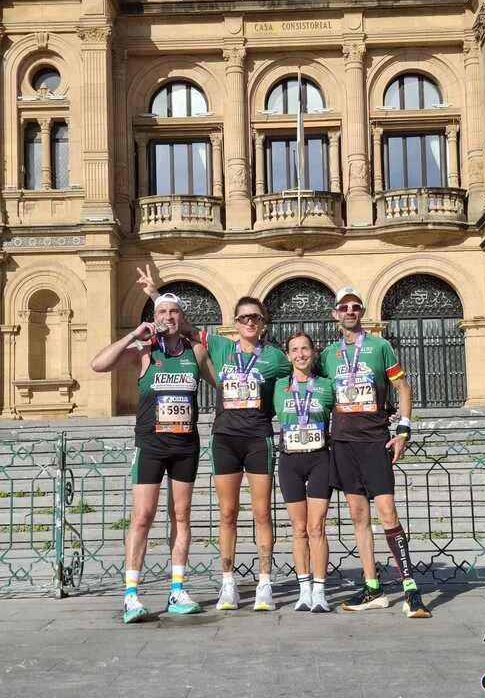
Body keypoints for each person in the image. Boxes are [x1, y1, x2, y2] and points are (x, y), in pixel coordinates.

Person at [136, 267, 290, 611]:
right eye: (244, 317)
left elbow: (302, 372)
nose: (249, 322)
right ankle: (228, 583)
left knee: (262, 513)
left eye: (255, 317)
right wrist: (156, 295)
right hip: (225, 439)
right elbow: (181, 325)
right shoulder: (220, 347)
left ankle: (265, 582)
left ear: (263, 323)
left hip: (258, 438)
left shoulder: (275, 358)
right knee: (227, 513)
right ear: (235, 323)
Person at [91, 293, 214, 624]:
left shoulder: (195, 352)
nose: (168, 316)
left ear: (180, 317)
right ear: (154, 317)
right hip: (151, 445)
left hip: (185, 446)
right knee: (142, 516)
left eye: (174, 311)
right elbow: (98, 364)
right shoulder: (145, 351)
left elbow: (222, 384)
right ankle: (131, 595)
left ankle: (177, 591)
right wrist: (133, 335)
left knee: (182, 516)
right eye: (162, 311)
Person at [318, 287, 431, 618]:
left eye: (355, 306)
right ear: (335, 315)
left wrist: (403, 430)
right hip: (342, 442)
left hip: (374, 441)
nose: (350, 311)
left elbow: (403, 388)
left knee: (387, 513)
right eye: (344, 307)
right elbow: (319, 390)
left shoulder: (380, 347)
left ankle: (410, 588)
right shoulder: (328, 355)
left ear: (362, 312)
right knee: (358, 515)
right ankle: (373, 587)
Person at [273, 332, 335, 612]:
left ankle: (320, 591)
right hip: (290, 461)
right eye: (295, 350)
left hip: (320, 459)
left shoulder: (326, 386)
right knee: (299, 529)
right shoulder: (278, 386)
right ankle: (304, 590)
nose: (300, 354)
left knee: (316, 526)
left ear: (313, 352)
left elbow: (346, 413)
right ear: (288, 356)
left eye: (305, 349)